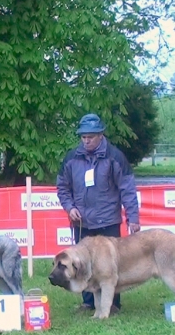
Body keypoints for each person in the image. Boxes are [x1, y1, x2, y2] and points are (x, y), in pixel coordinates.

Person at [56, 113, 140, 313]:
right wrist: (70, 207)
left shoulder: (115, 157)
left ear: (101, 135)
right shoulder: (71, 158)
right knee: (81, 264)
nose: (86, 140)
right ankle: (88, 302)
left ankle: (113, 304)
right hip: (82, 222)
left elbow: (127, 188)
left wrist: (133, 217)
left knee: (110, 265)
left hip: (108, 220)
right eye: (83, 137)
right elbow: (62, 187)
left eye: (90, 137)